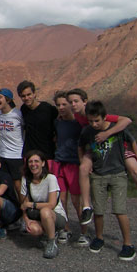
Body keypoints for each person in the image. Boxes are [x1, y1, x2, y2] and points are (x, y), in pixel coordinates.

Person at [67, 88, 137, 231]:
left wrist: (107, 133)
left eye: (76, 101)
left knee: (135, 171)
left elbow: (126, 121)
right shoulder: (78, 116)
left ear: (84, 102)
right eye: (70, 102)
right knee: (83, 168)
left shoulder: (99, 114)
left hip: (117, 146)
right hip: (95, 147)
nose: (73, 104)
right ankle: (86, 207)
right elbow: (81, 142)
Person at [78, 101, 136, 261]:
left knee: (119, 210)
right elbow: (81, 146)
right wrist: (84, 161)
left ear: (105, 117)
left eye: (97, 120)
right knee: (98, 210)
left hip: (118, 173)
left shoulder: (116, 128)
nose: (94, 124)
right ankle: (99, 237)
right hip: (98, 174)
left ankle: (128, 244)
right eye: (91, 121)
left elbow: (132, 140)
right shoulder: (87, 131)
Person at [50, 91, 88, 246]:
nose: (61, 108)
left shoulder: (79, 123)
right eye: (58, 105)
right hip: (59, 163)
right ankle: (65, 229)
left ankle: (84, 232)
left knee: (77, 201)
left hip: (74, 164)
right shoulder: (57, 122)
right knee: (62, 199)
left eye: (64, 104)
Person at [19, 150, 68, 259]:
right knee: (33, 229)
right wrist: (26, 220)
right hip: (38, 215)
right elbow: (24, 205)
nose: (33, 164)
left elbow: (51, 204)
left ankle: (52, 242)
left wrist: (32, 205)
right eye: (30, 162)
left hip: (55, 215)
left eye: (36, 161)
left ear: (43, 163)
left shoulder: (50, 178)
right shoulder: (26, 180)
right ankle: (46, 234)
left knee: (45, 211)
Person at [18, 80, 58, 162]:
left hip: (47, 154)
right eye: (23, 96)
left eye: (29, 94)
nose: (26, 98)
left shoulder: (47, 108)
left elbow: (58, 123)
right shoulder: (23, 109)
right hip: (29, 154)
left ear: (34, 94)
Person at [0, 88, 25, 197]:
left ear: (8, 99)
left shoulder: (17, 114)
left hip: (16, 154)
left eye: (0, 97)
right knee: (5, 185)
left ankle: (24, 207)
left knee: (18, 185)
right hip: (3, 154)